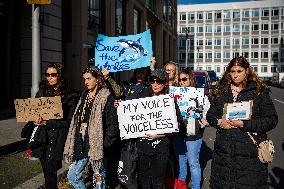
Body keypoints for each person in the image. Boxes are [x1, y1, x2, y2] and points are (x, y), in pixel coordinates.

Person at [206, 56, 278, 188]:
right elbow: (210, 115)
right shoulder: (221, 91)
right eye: (232, 71)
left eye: (239, 71)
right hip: (224, 155)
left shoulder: (258, 92)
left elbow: (271, 120)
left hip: (250, 155)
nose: (235, 75)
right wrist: (219, 122)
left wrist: (245, 124)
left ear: (247, 71)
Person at [22, 63, 78, 189]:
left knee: (51, 173)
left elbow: (69, 123)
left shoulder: (70, 95)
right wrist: (35, 120)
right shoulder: (42, 91)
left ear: (60, 76)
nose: (50, 77)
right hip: (42, 138)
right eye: (47, 74)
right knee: (47, 173)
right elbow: (34, 112)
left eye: (53, 74)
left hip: (57, 139)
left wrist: (47, 122)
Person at [63, 67, 120, 189]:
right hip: (82, 140)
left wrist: (105, 143)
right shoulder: (84, 95)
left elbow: (113, 124)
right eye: (84, 79)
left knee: (98, 177)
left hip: (97, 142)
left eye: (89, 79)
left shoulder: (106, 97)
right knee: (72, 175)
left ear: (98, 79)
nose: (86, 82)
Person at [136, 69, 183, 189]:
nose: (155, 84)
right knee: (143, 182)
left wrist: (159, 134)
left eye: (159, 81)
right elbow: (132, 118)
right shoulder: (142, 98)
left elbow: (178, 125)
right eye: (152, 81)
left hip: (161, 147)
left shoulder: (170, 101)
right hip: (142, 147)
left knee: (159, 182)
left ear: (165, 83)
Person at [174, 68, 210, 189]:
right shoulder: (175, 94)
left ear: (191, 79)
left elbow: (207, 113)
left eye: (184, 79)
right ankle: (181, 185)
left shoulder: (199, 95)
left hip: (194, 134)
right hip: (179, 133)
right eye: (179, 80)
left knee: (193, 163)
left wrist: (203, 121)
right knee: (181, 162)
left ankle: (195, 187)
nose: (181, 82)